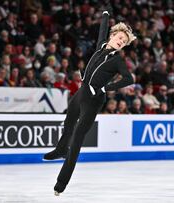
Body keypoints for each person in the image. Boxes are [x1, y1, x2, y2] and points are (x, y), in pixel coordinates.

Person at [43, 5, 136, 195]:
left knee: (77, 138)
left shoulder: (118, 60)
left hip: (94, 99)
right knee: (69, 121)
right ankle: (61, 149)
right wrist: (105, 14)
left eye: (124, 42)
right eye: (119, 38)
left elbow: (129, 79)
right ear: (113, 36)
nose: (121, 42)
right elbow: (103, 29)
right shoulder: (102, 45)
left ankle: (61, 184)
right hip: (82, 91)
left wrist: (105, 88)